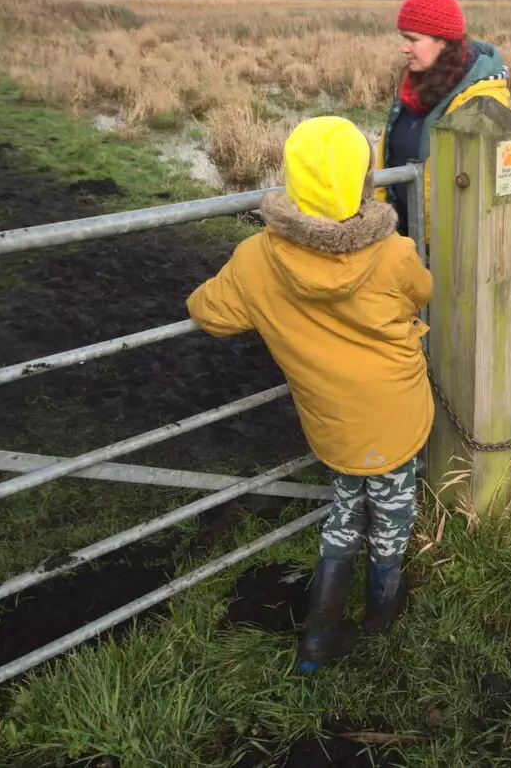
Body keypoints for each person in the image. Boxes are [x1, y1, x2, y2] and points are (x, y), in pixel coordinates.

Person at [187, 115, 433, 671]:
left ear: (293, 181)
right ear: (365, 180)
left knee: (346, 508)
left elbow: (207, 311)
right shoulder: (392, 253)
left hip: (332, 422)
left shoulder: (255, 259)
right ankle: (381, 617)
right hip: (395, 416)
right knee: (392, 512)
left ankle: (319, 637)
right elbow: (422, 292)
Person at [377, 0, 511, 235]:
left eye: (413, 39)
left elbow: (487, 193)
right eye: (403, 38)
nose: (404, 47)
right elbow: (387, 156)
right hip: (401, 237)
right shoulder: (415, 90)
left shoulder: (481, 103)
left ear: (443, 42)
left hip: (451, 248)